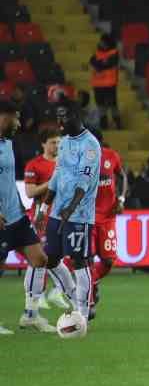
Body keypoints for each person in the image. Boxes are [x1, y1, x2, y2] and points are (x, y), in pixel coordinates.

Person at [27, 97, 99, 337]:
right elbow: (57, 177)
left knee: (79, 261)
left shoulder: (90, 146)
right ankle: (72, 296)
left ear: (77, 116)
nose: (60, 122)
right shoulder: (66, 142)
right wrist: (44, 208)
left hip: (78, 215)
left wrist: (71, 209)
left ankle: (83, 310)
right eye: (58, 117)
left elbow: (84, 182)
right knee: (51, 259)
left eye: (64, 117)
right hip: (59, 213)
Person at [0, 99, 62, 336]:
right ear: (2, 116)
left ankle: (31, 315)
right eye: (14, 117)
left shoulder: (7, 143)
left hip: (16, 216)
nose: (17, 122)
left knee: (39, 259)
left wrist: (22, 207)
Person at [21, 132, 71, 312]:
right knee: (40, 257)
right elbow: (30, 192)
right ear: (43, 144)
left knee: (57, 257)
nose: (56, 146)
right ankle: (37, 297)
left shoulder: (66, 163)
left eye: (58, 142)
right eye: (52, 142)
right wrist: (52, 182)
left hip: (63, 217)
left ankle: (55, 292)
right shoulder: (35, 165)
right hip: (42, 218)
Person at [80, 137, 125, 317]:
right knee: (87, 259)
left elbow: (122, 175)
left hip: (108, 218)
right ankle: (87, 304)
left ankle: (93, 282)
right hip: (87, 218)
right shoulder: (81, 160)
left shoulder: (111, 156)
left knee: (108, 261)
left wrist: (121, 198)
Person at [88, 33, 122, 129]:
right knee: (101, 107)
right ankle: (104, 125)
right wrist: (101, 64)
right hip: (98, 84)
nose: (101, 43)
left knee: (113, 105)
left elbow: (106, 64)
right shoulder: (97, 52)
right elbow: (93, 61)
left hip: (109, 84)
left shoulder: (114, 53)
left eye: (103, 42)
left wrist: (100, 64)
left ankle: (118, 124)